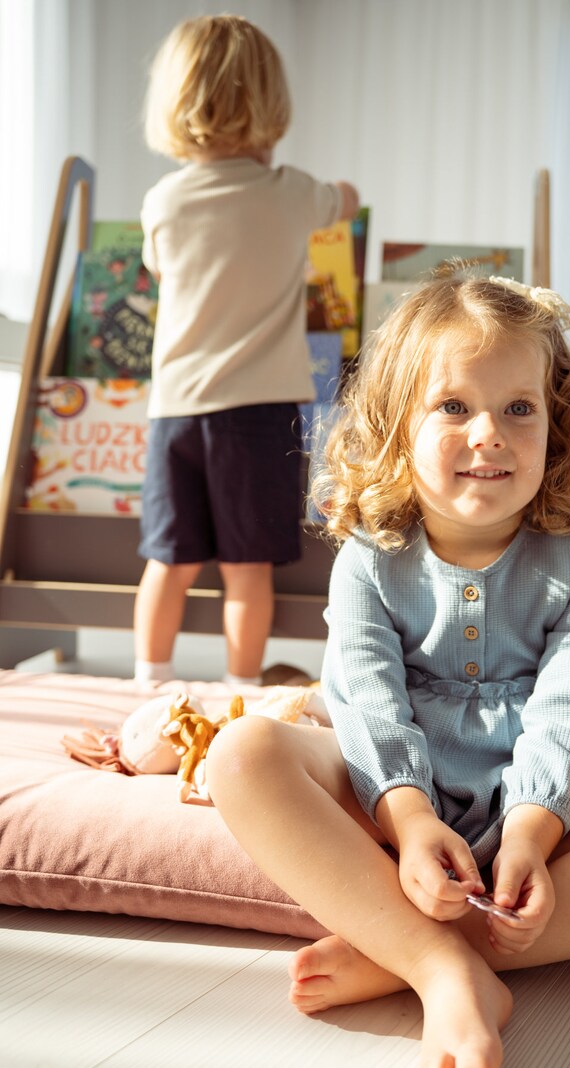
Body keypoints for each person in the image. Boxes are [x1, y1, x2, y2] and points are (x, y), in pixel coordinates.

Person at [205, 275, 570, 1068]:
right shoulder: (368, 559)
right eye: (453, 406)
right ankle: (444, 964)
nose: (489, 432)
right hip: (388, 801)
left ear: (555, 425)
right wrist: (409, 819)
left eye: (519, 408)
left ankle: (411, 956)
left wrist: (530, 831)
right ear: (394, 427)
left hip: (545, 803)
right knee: (241, 756)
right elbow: (367, 704)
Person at [133, 15, 359, 686]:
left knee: (166, 560)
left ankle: (150, 679)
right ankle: (242, 689)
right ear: (271, 105)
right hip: (259, 410)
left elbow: (161, 266)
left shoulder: (164, 202)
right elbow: (345, 200)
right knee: (247, 567)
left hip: (176, 409)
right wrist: (340, 194)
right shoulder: (292, 193)